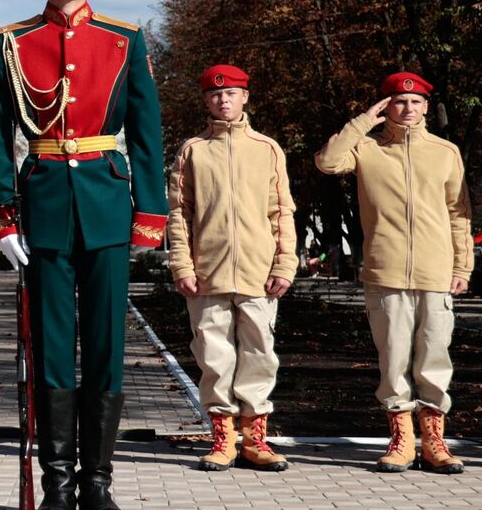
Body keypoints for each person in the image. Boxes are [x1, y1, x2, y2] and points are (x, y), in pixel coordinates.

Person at [0, 0, 165, 510]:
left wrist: (151, 213)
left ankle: (99, 484)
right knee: (55, 348)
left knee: (107, 346)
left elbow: (146, 133)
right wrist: (2, 219)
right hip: (45, 207)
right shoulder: (13, 43)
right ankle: (57, 485)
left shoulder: (124, 38)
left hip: (108, 205)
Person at [315, 72, 472, 474]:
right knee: (394, 358)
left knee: (435, 356)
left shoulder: (445, 152)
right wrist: (364, 121)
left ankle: (435, 439)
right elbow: (328, 162)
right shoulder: (367, 150)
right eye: (398, 102)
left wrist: (462, 266)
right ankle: (401, 438)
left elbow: (459, 215)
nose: (408, 109)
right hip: (385, 272)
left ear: (424, 106)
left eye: (416, 102)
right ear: (386, 106)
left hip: (436, 272)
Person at [166, 65, 296, 472]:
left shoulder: (267, 149)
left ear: (245, 98)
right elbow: (178, 214)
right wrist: (181, 265)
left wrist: (285, 263)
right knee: (214, 356)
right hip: (207, 272)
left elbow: (282, 211)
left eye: (232, 94)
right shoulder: (193, 151)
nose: (223, 100)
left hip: (259, 272)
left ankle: (255, 439)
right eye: (215, 95)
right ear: (206, 101)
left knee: (259, 354)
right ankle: (222, 437)